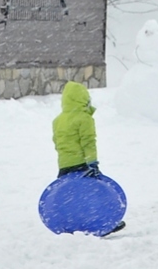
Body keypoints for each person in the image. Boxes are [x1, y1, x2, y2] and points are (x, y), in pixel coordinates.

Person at [50, 80, 125, 234]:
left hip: (64, 165)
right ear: (83, 99)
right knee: (96, 194)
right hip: (82, 164)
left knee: (70, 197)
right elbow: (89, 142)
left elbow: (57, 142)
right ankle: (105, 224)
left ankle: (69, 226)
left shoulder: (58, 120)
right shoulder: (84, 118)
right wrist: (92, 163)